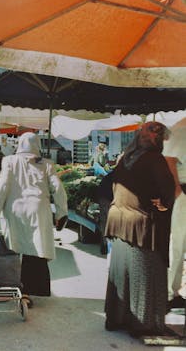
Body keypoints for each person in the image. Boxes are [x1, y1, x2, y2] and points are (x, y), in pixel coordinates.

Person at [104, 122, 175, 338]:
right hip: (142, 225)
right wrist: (163, 203)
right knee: (147, 274)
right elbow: (167, 189)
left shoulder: (126, 156)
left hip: (119, 221)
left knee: (123, 274)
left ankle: (118, 318)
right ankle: (145, 324)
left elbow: (107, 184)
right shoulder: (155, 159)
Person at [0, 132, 68, 307]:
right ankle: (27, 291)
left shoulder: (9, 161)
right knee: (35, 249)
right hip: (39, 210)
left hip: (15, 209)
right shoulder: (47, 164)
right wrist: (62, 213)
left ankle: (10, 286)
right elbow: (58, 189)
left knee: (13, 247)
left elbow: (2, 186)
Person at [163, 118, 186, 310]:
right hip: (183, 193)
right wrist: (177, 188)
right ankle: (171, 292)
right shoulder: (180, 129)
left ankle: (174, 291)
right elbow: (169, 159)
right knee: (177, 243)